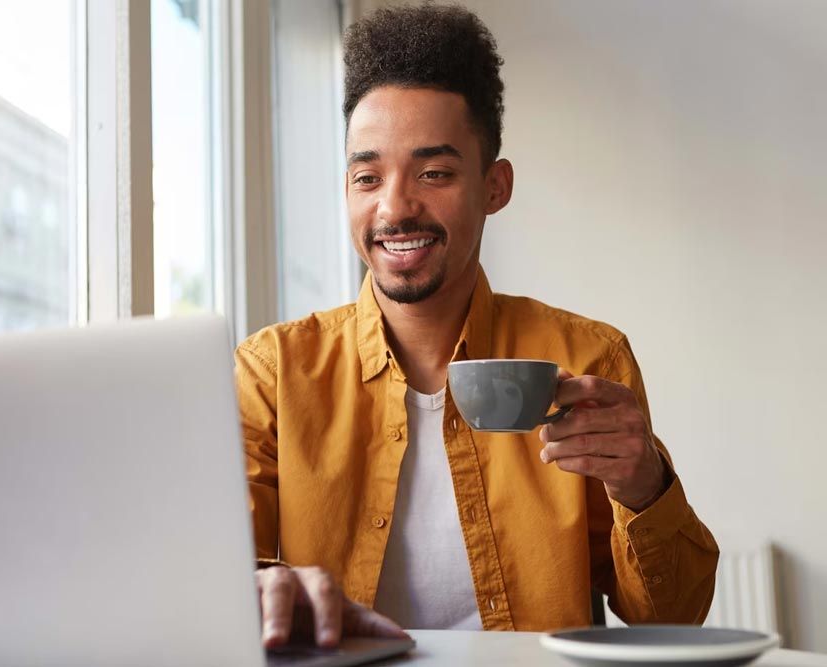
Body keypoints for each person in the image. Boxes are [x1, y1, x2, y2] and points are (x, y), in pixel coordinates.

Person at [236, 3, 719, 649]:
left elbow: (673, 621)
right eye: (367, 176)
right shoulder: (271, 375)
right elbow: (215, 584)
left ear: (495, 186)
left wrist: (643, 484)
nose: (395, 206)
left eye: (434, 173)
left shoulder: (587, 358)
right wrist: (254, 589)